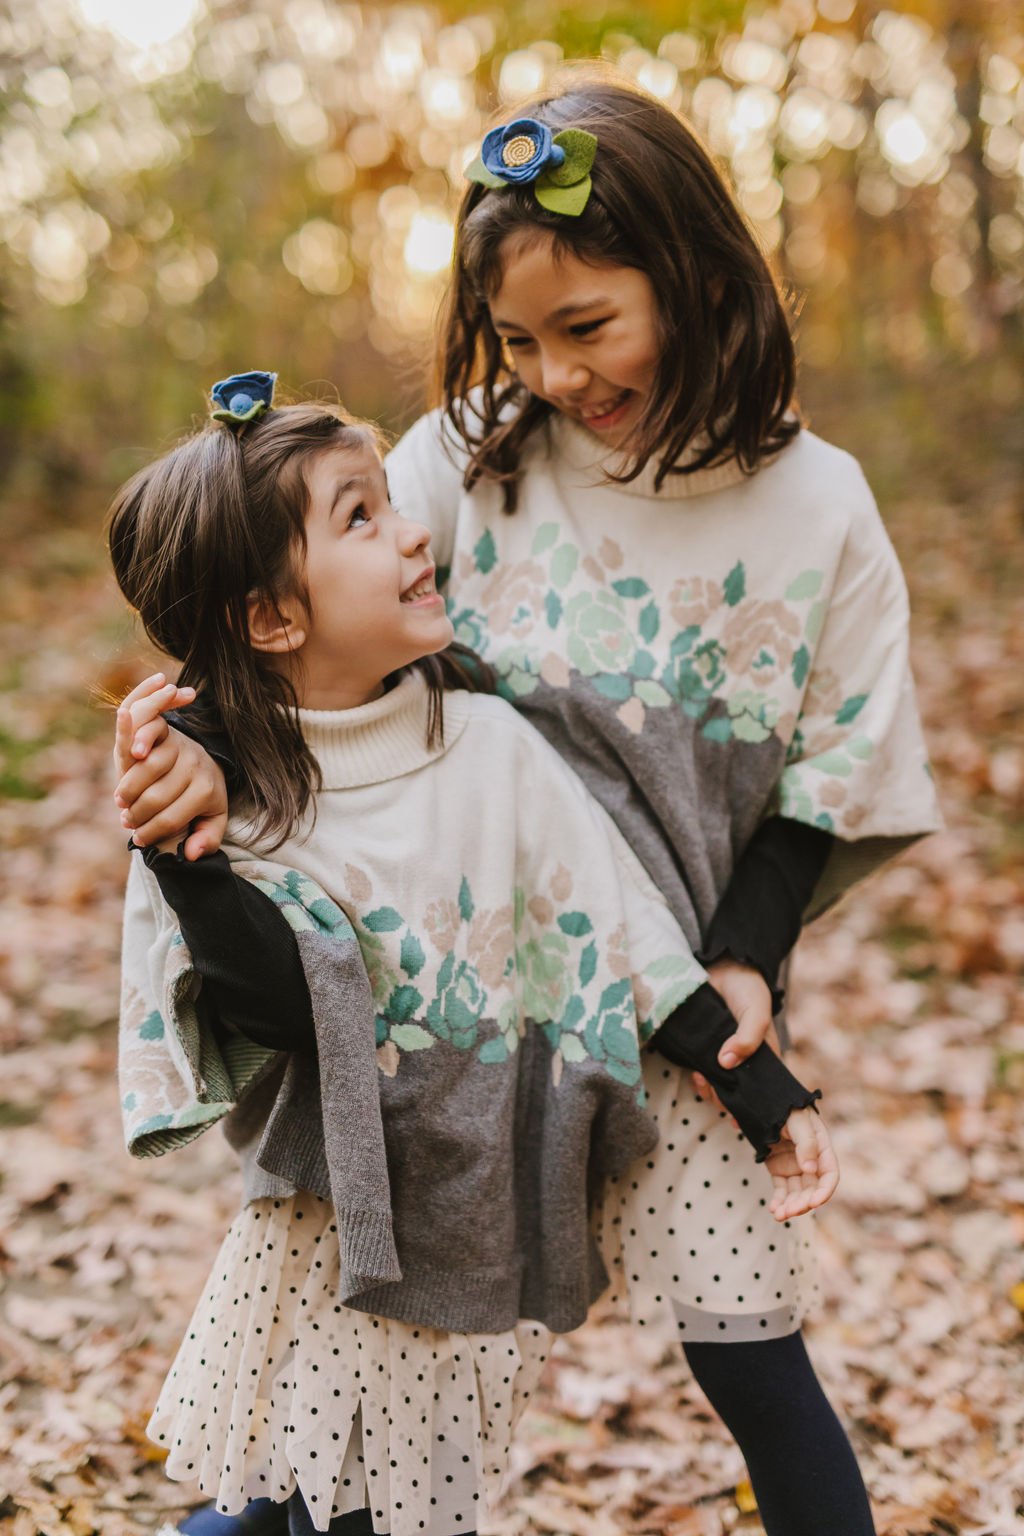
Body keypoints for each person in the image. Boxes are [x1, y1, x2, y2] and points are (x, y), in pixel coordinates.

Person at [114, 72, 941, 1536]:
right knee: (377, 1395)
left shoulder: (820, 513)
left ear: (692, 278)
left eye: (587, 327)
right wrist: (201, 765)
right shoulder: (463, 460)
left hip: (672, 988)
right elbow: (289, 610)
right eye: (515, 338)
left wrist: (746, 958)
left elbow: (833, 770)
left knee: (755, 1345)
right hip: (468, 1019)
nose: (555, 374)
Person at [110, 378, 836, 1536]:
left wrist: (757, 1084)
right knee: (334, 1514)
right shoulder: (229, 809)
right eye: (358, 517)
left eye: (393, 502)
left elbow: (619, 930)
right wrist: (186, 854)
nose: (409, 530)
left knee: (369, 1510)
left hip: (470, 1205)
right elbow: (280, 1010)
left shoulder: (485, 743)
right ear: (270, 619)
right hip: (336, 1239)